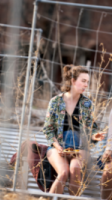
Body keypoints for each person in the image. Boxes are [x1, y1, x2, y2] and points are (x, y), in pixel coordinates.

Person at [43, 65, 105, 195]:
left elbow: (91, 129)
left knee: (75, 169)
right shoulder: (55, 101)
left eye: (87, 82)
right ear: (72, 81)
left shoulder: (87, 104)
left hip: (80, 147)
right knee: (63, 172)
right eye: (83, 81)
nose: (86, 85)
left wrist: (95, 136)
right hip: (58, 145)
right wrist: (57, 146)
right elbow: (48, 129)